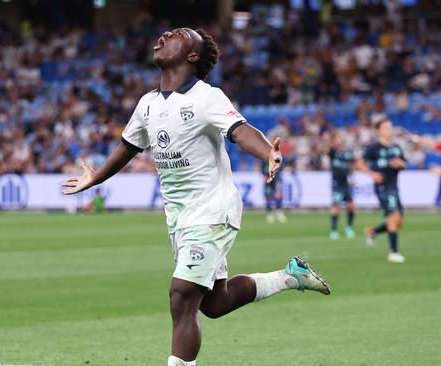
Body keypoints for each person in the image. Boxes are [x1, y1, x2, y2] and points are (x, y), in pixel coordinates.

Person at [60, 28, 331, 366]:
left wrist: (268, 154)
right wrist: (96, 177)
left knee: (182, 294)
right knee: (214, 304)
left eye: (178, 35)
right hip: (180, 216)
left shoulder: (207, 97)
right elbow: (128, 148)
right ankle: (291, 276)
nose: (164, 34)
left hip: (213, 210)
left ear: (191, 56)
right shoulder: (147, 104)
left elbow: (240, 131)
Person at [357, 116, 406, 263]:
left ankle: (373, 232)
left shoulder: (396, 147)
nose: (389, 130)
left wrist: (400, 164)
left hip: (394, 186)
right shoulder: (373, 148)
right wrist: (372, 174)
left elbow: (404, 163)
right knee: (393, 216)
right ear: (379, 131)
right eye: (386, 127)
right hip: (383, 187)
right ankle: (393, 252)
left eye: (390, 127)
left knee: (399, 221)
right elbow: (359, 163)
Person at [328, 132, 357, 240]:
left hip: (346, 183)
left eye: (340, 138)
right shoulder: (332, 152)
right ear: (334, 141)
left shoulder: (347, 153)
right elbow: (324, 149)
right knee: (336, 206)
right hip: (336, 183)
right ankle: (334, 230)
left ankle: (349, 227)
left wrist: (352, 174)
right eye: (337, 138)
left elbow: (353, 163)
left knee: (351, 206)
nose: (340, 140)